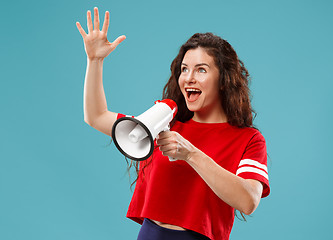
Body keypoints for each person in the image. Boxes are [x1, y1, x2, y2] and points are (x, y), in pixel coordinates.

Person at [76, 7, 270, 240]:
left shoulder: (247, 139)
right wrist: (94, 60)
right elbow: (96, 116)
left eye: (201, 70)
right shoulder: (164, 124)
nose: (189, 77)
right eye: (184, 69)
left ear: (223, 80)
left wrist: (191, 154)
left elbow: (248, 201)